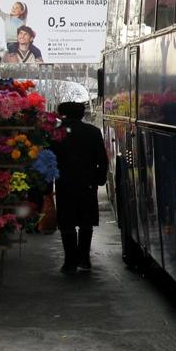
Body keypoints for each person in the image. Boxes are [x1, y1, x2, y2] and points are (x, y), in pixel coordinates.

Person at [50, 101, 108, 273]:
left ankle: (69, 261)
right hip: (87, 183)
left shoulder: (55, 133)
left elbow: (48, 160)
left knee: (66, 222)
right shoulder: (93, 132)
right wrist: (100, 178)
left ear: (62, 114)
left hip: (64, 183)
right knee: (86, 221)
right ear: (82, 115)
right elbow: (102, 159)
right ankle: (84, 258)